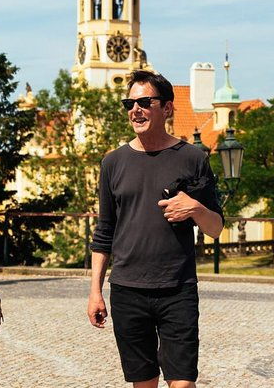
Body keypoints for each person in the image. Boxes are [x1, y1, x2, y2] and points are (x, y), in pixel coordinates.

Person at [87, 70, 224, 388]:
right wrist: (95, 292)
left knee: (183, 383)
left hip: (178, 289)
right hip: (127, 291)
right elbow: (104, 231)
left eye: (145, 102)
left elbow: (216, 228)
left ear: (167, 108)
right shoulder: (113, 163)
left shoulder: (193, 158)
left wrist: (195, 208)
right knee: (144, 384)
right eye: (130, 104)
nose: (136, 110)